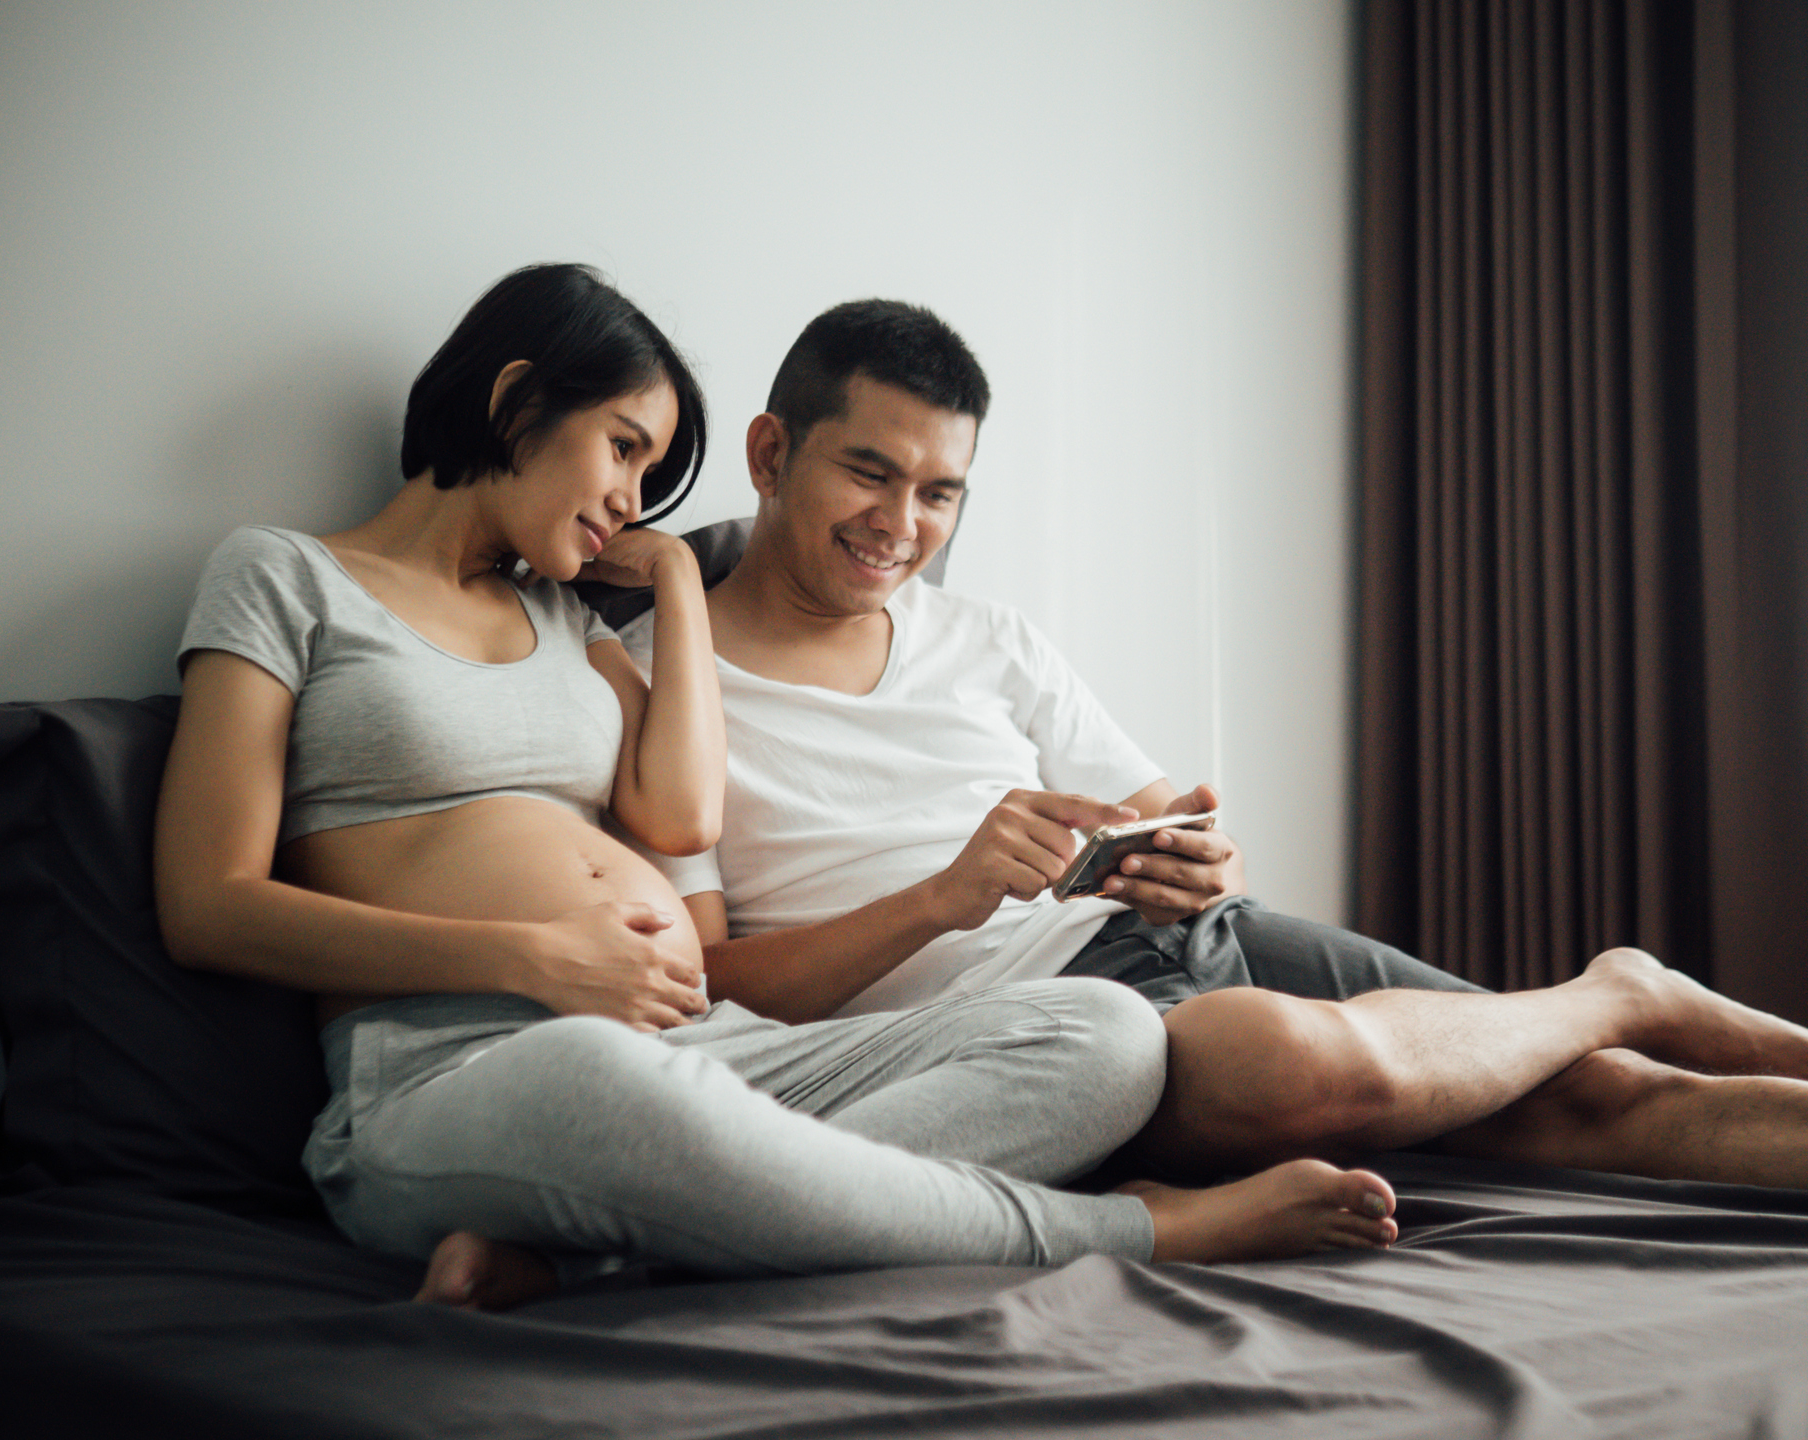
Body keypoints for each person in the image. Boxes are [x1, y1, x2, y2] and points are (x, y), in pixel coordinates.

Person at [153, 265, 1407, 1312]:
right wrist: (533, 961)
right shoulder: (285, 577)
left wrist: (685, 584)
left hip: (703, 1049)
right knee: (615, 1094)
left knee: (1109, 1034)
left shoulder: (567, 618)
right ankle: (1143, 1233)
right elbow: (207, 906)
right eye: (623, 451)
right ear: (516, 400)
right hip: (455, 1068)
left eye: (651, 476)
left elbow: (678, 819)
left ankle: (594, 1261)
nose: (630, 502)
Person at [626, 297, 1808, 1205]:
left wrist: (1189, 857)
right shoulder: (646, 681)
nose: (902, 525)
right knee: (1309, 1070)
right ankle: (1618, 985)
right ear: (769, 449)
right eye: (870, 473)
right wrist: (948, 892)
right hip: (1045, 1034)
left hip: (1209, 953)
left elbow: (1180, 823)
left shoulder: (988, 638)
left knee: (1588, 1106)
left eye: (940, 493)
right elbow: (720, 983)